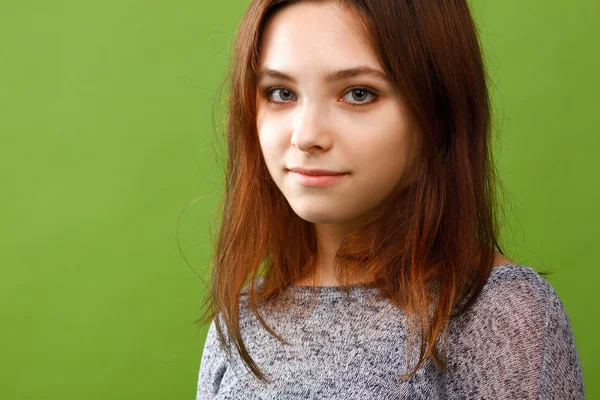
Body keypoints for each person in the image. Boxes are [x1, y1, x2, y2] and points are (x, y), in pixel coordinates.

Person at [195, 0, 585, 398]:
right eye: (281, 92)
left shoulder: (497, 313)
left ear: (437, 114)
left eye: (358, 93)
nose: (306, 135)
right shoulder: (241, 320)